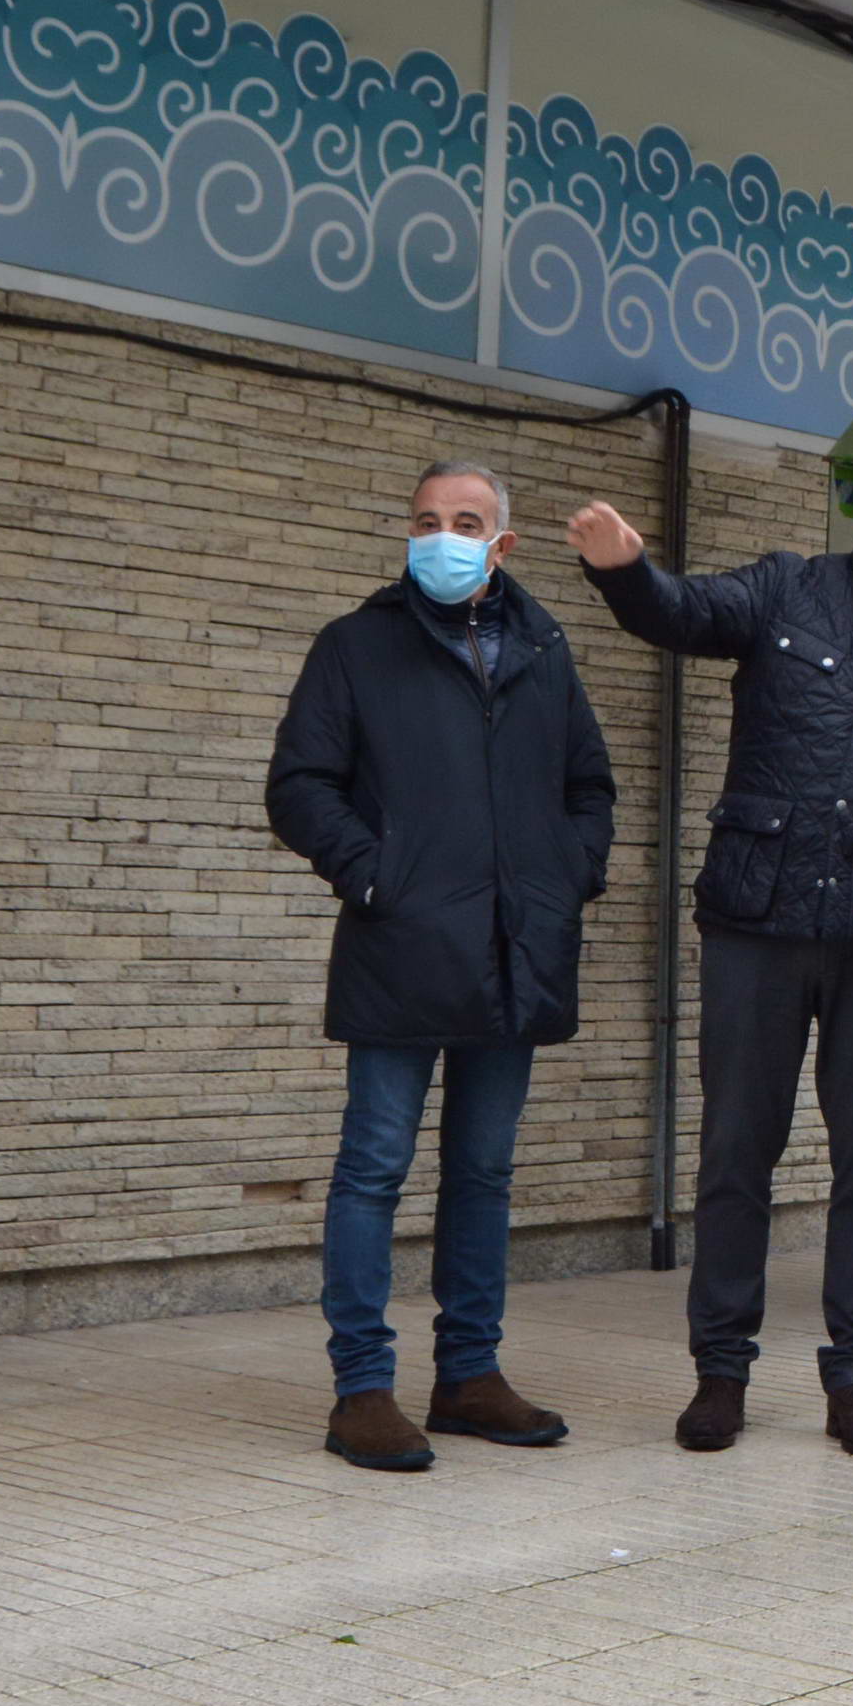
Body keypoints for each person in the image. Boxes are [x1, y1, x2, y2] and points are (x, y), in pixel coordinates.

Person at [565, 441, 853, 1460]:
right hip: (757, 919)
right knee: (733, 1154)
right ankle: (720, 1370)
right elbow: (682, 615)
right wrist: (625, 571)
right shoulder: (787, 585)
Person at [268, 460, 617, 1472]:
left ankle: (468, 1376)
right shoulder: (355, 647)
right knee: (372, 1169)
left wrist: (564, 880)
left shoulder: (546, 648)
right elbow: (299, 785)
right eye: (425, 519)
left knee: (483, 1173)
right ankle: (360, 1392)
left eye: (464, 521)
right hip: (399, 950)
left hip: (514, 955)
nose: (442, 535)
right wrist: (380, 880)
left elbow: (587, 785)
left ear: (501, 542)